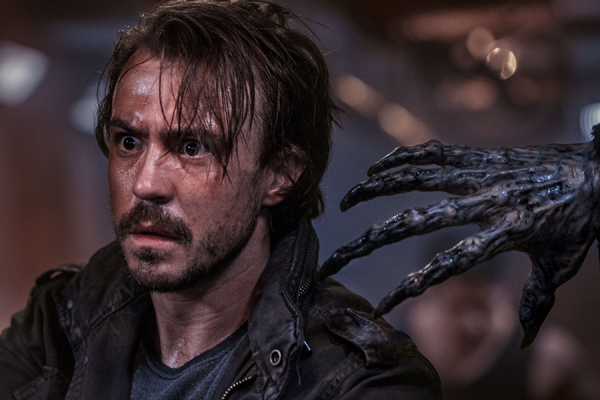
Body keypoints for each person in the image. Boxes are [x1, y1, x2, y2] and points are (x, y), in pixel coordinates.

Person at [0, 1, 441, 399]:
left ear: (280, 173)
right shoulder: (60, 323)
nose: (146, 184)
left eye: (192, 148)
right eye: (129, 142)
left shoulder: (359, 379)